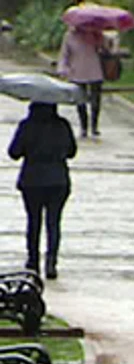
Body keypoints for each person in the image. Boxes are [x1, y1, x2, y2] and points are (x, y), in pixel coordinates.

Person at [9, 101, 76, 279]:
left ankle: (32, 261)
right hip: (58, 180)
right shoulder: (62, 125)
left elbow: (14, 152)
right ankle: (51, 261)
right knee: (54, 222)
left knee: (33, 221)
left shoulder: (26, 125)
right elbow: (71, 152)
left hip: (32, 180)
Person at [57, 23, 106, 138]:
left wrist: (99, 36)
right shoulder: (69, 36)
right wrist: (63, 68)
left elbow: (103, 48)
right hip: (77, 71)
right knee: (80, 100)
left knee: (95, 99)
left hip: (94, 70)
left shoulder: (95, 34)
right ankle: (84, 126)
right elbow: (64, 54)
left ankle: (94, 126)